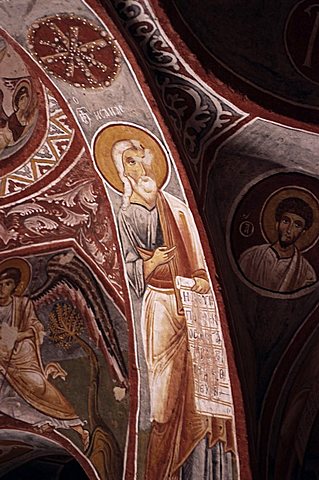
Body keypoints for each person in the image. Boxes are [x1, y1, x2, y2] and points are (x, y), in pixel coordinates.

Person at [112, 139, 235, 479]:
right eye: (131, 163)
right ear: (123, 172)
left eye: (142, 160)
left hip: (191, 305)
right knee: (163, 398)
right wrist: (151, 264)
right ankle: (160, 468)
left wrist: (199, 279)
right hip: (158, 306)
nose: (140, 169)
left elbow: (199, 262)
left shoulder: (178, 208)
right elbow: (131, 269)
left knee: (201, 389)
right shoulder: (125, 215)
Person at [0, 265, 89, 450]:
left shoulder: (23, 304)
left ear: (15, 286)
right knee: (5, 403)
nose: (2, 288)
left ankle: (76, 425)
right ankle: (43, 421)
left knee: (39, 387)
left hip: (23, 356)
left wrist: (18, 336)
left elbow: (36, 328)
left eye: (7, 284)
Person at [239, 197, 316, 292]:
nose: (289, 229)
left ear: (303, 232)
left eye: (297, 225)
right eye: (286, 221)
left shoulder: (307, 274)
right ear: (277, 224)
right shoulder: (251, 256)